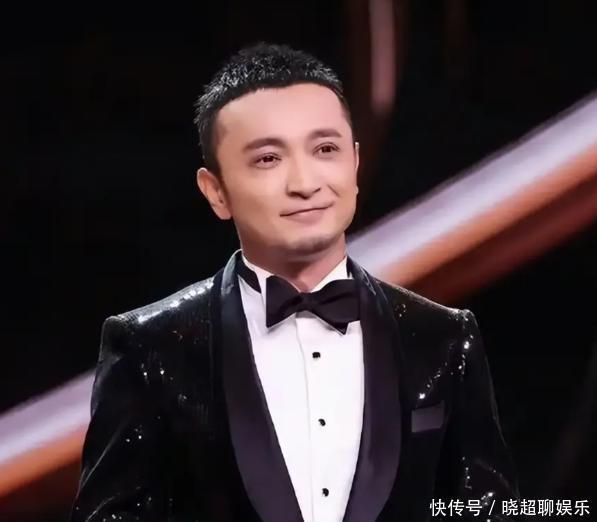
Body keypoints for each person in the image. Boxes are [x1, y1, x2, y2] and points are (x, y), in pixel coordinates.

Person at [70, 42, 521, 522]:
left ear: (355, 163)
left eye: (325, 150)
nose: (305, 183)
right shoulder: (150, 346)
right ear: (216, 191)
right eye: (268, 159)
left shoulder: (443, 337)